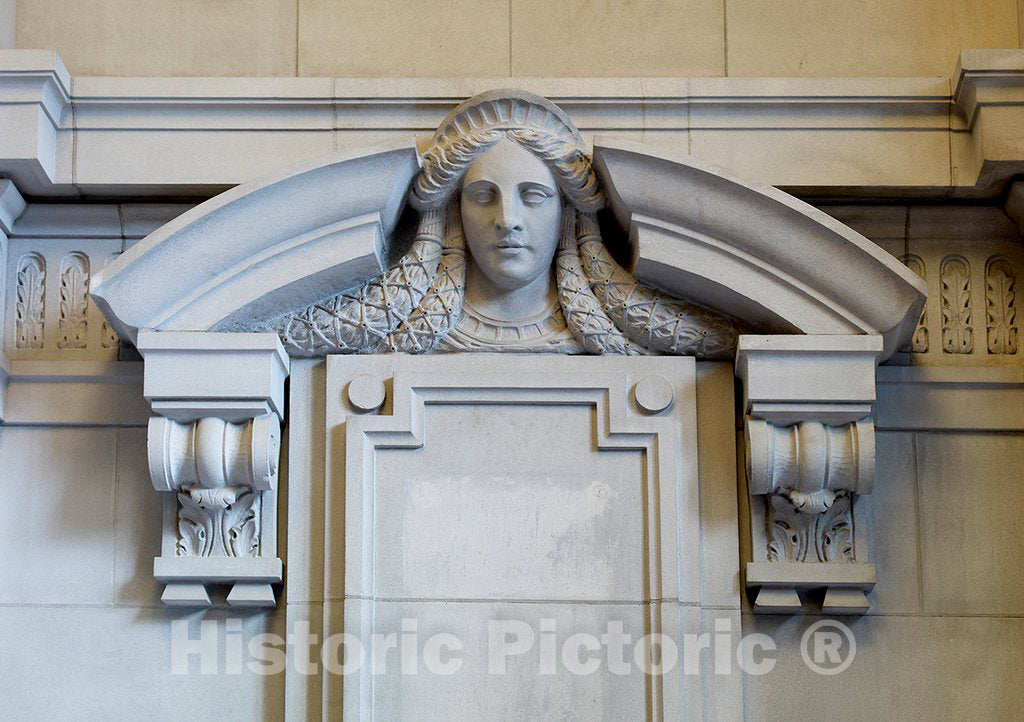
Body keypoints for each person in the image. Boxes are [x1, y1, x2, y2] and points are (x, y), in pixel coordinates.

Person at [278, 90, 736, 357]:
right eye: (483, 197)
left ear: (567, 211)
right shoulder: (404, 326)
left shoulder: (609, 324)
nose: (507, 221)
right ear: (454, 210)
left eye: (533, 197)